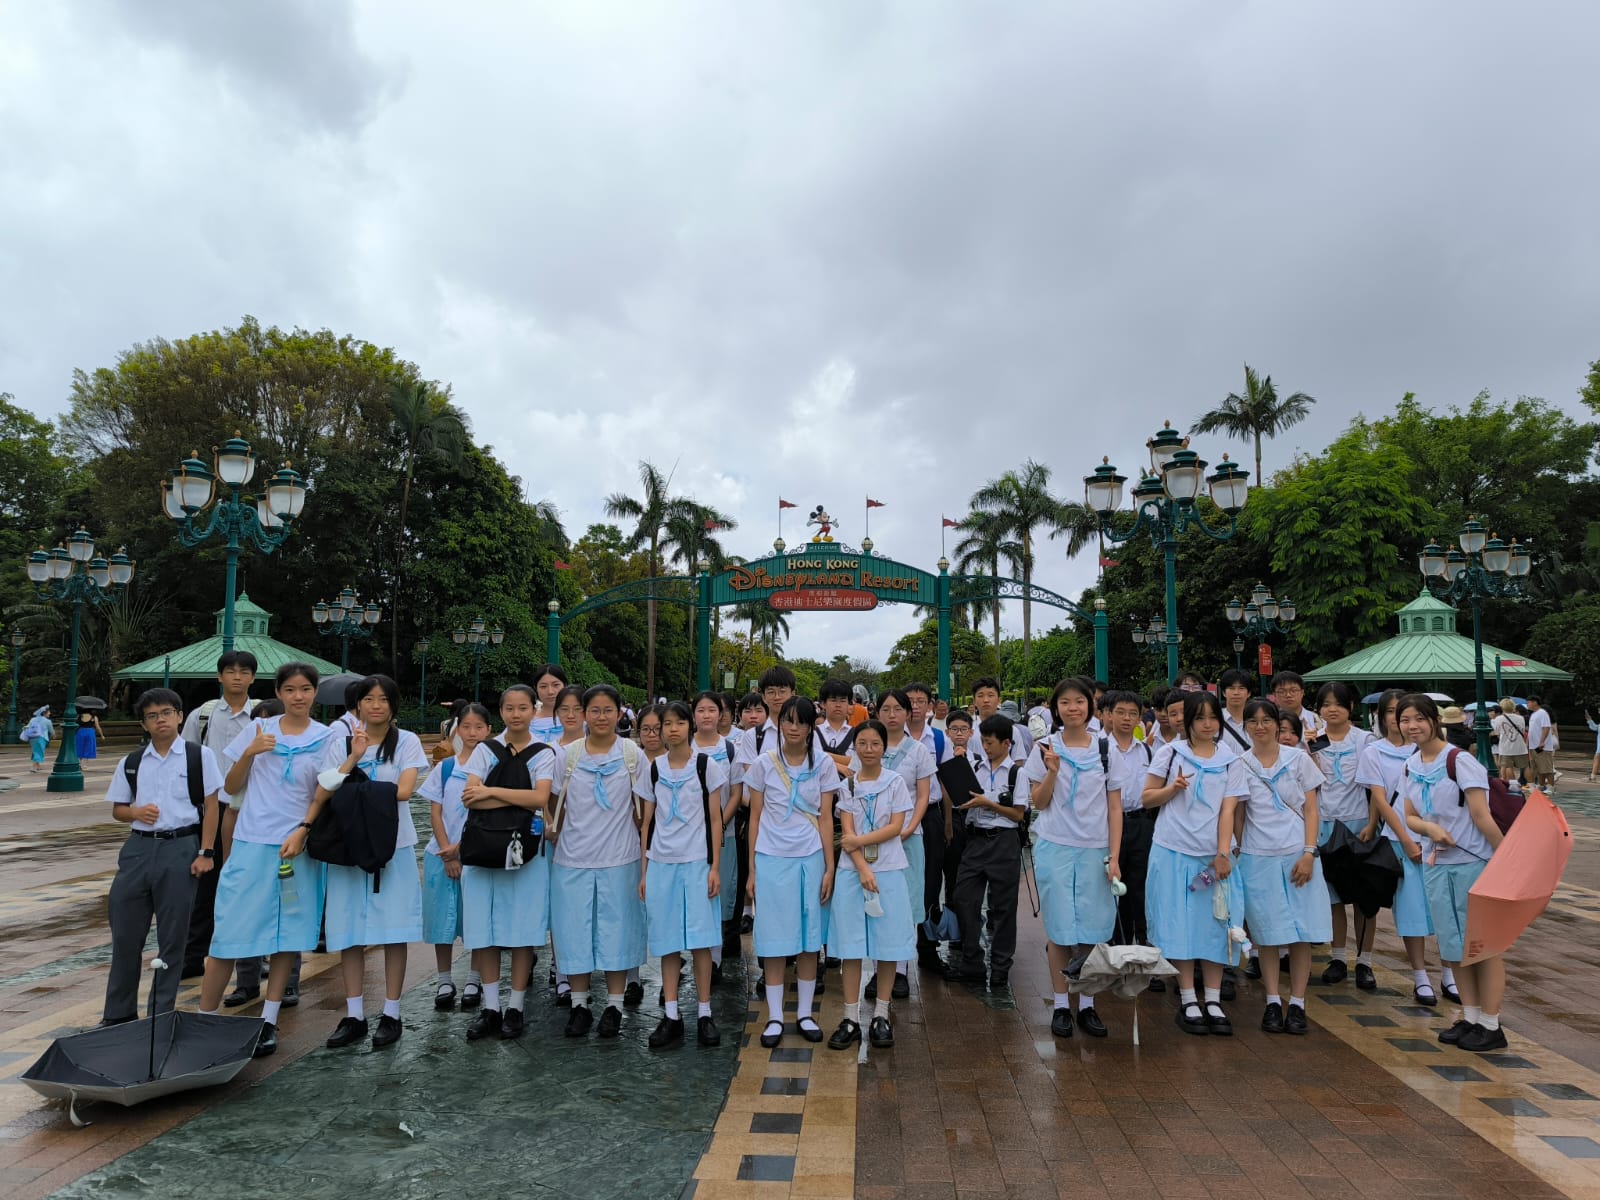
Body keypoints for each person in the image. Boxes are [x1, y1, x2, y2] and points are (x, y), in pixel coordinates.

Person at [199, 663, 330, 1059]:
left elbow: (323, 794)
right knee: (229, 932)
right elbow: (230, 787)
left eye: (305, 689)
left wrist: (303, 831)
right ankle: (204, 1022)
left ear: (314, 693)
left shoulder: (327, 738)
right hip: (252, 842)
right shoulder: (257, 730)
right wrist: (249, 753)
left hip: (296, 848)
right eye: (290, 689)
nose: (298, 696)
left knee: (287, 935)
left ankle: (268, 1021)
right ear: (278, 693)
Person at [313, 674, 429, 1049]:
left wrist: (354, 789)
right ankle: (354, 1014)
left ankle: (392, 1011)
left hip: (394, 845)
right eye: (369, 699)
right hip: (348, 845)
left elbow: (406, 790)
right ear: (357, 705)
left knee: (394, 928)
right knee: (348, 929)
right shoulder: (340, 743)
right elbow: (325, 787)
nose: (376, 706)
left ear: (394, 705)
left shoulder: (406, 742)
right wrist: (354, 757)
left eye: (383, 699)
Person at [101, 689, 224, 1025]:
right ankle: (118, 1015)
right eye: (152, 716)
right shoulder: (132, 762)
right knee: (125, 935)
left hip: (181, 847)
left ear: (180, 716)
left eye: (167, 713)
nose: (161, 720)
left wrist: (206, 852)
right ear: (144, 723)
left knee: (173, 937)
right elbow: (118, 809)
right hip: (138, 849)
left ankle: (160, 1014)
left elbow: (212, 806)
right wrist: (135, 812)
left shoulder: (199, 756)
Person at [1398, 694, 1506, 1052]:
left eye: (1419, 718)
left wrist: (1504, 860)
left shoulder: (1459, 761)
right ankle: (1470, 1018)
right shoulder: (1411, 765)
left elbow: (1481, 815)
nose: (1412, 726)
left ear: (1435, 720)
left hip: (1473, 864)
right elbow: (1410, 815)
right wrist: (1429, 829)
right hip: (1437, 866)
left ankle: (1491, 1024)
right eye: (1405, 720)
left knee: (1483, 947)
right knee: (1452, 946)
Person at [1022, 677, 1123, 1040]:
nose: (1073, 708)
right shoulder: (1045, 747)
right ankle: (1062, 1005)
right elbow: (1038, 801)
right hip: (1055, 846)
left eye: (1079, 701)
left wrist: (1114, 856)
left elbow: (1115, 807)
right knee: (1060, 930)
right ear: (1056, 709)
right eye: (1064, 702)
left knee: (1094, 930)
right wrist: (1052, 770)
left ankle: (1089, 1005)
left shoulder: (1106, 748)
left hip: (1096, 849)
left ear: (1090, 706)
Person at [548, 685, 650, 1039]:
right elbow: (553, 800)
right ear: (584, 714)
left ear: (620, 713)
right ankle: (579, 1004)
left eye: (608, 710)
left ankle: (614, 1006)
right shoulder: (568, 755)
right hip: (572, 858)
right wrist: (554, 831)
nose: (601, 717)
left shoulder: (633, 755)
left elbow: (644, 809)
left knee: (616, 931)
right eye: (594, 710)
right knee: (574, 930)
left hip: (620, 858)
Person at [1143, 690, 1246, 1036]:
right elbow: (1147, 798)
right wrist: (1173, 788)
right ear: (1186, 721)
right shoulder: (1170, 753)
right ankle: (1188, 998)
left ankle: (1213, 999)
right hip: (1173, 852)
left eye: (1213, 717)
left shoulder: (1230, 759)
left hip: (1214, 859)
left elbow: (1229, 809)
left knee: (1216, 923)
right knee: (1180, 925)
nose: (1207, 724)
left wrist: (1222, 853)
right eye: (1199, 718)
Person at [462, 686, 558, 1038]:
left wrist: (490, 791)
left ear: (533, 710)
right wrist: (516, 799)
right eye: (509, 708)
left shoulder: (544, 752)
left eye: (523, 708)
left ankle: (515, 1007)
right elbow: (469, 798)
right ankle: (491, 1007)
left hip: (525, 851)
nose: (516, 715)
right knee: (484, 930)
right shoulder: (485, 749)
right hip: (484, 849)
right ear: (501, 711)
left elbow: (540, 797)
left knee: (522, 930)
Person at [744, 695, 839, 1048]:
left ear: (811, 726)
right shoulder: (764, 764)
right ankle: (773, 1016)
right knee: (773, 938)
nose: (794, 728)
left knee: (809, 938)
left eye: (801, 722)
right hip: (771, 858)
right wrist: (752, 869)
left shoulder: (824, 764)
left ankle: (804, 1014)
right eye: (788, 720)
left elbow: (826, 818)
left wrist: (829, 866)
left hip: (810, 857)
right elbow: (754, 817)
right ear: (779, 723)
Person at [1235, 698, 1328, 1035]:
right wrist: (1238, 852)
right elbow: (1239, 815)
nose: (1260, 727)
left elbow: (1312, 809)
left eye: (1266, 720)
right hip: (1257, 857)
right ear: (1245, 726)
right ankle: (1273, 1000)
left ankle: (1298, 1003)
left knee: (1302, 932)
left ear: (1278, 724)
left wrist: (1309, 852)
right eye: (1253, 721)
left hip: (1297, 854)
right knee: (1267, 933)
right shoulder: (1240, 764)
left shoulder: (1298, 759)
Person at [640, 701, 725, 1049]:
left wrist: (715, 867)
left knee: (702, 941)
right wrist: (644, 872)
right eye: (667, 724)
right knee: (668, 941)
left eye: (679, 722)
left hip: (697, 862)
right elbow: (647, 822)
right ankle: (671, 1014)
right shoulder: (654, 768)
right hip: (662, 864)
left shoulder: (706, 766)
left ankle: (704, 1012)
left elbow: (716, 820)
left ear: (690, 726)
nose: (672, 729)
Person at [827, 719, 915, 1051]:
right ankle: (850, 1018)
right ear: (855, 748)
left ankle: (881, 1014)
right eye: (862, 744)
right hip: (852, 873)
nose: (868, 750)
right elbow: (846, 831)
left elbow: (895, 827)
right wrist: (863, 867)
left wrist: (860, 843)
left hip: (889, 870)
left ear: (884, 747)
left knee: (888, 944)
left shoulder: (895, 782)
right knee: (850, 946)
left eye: (875, 744)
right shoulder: (847, 785)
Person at [1356, 688, 1445, 1006]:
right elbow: (1380, 799)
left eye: (1410, 715)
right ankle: (1420, 977)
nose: (1400, 720)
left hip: (1439, 841)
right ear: (1381, 717)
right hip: (1400, 839)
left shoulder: (1437, 751)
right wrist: (1404, 839)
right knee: (1411, 909)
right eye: (1393, 713)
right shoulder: (1374, 752)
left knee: (1444, 908)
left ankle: (1450, 974)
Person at [180, 649, 262, 985]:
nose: (237, 677)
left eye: (244, 672)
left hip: (251, 809)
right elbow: (185, 757)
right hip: (211, 809)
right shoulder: (203, 715)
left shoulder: (263, 715)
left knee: (251, 882)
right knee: (205, 882)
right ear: (220, 676)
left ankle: (253, 959)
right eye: (230, 671)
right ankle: (194, 955)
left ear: (253, 678)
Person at [850, 690, 933, 1000]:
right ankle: (878, 969)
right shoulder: (867, 745)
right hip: (868, 840)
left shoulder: (918, 750)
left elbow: (923, 795)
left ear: (908, 712)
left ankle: (899, 970)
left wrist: (908, 828)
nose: (892, 714)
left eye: (898, 708)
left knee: (904, 902)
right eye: (886, 709)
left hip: (907, 837)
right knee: (874, 902)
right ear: (877, 712)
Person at [418, 701, 490, 1014]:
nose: (472, 733)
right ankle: (444, 979)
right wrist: (447, 852)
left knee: (476, 918)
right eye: (466, 727)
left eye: (478, 727)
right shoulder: (446, 767)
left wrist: (460, 848)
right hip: (440, 853)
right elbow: (434, 811)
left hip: (475, 854)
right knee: (441, 920)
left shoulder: (492, 769)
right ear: (457, 729)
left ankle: (474, 978)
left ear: (488, 730)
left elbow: (487, 816)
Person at [945, 713, 1026, 988]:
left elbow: (1018, 815)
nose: (986, 747)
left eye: (990, 742)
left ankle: (1001, 966)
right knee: (964, 898)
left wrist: (988, 803)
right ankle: (972, 962)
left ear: (1006, 743)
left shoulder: (1016, 773)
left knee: (1004, 907)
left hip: (1004, 841)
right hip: (975, 839)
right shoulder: (975, 768)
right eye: (983, 742)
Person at [1311, 681, 1376, 988]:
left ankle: (1365, 961)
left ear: (1351, 706)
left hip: (1358, 825)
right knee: (1333, 898)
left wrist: (1372, 824)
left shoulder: (1365, 740)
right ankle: (1338, 957)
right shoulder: (1314, 740)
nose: (1332, 709)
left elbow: (1376, 788)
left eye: (1338, 703)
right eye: (1325, 704)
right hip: (1324, 825)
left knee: (1363, 898)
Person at [690, 690, 742, 959]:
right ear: (693, 715)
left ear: (721, 715)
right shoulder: (685, 747)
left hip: (724, 834)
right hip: (689, 837)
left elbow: (736, 793)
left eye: (712, 710)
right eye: (701, 710)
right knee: (694, 895)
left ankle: (715, 960)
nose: (706, 715)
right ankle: (696, 957)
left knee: (720, 893)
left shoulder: (730, 749)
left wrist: (719, 824)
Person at [1104, 690, 1155, 951]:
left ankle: (1144, 945)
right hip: (1109, 826)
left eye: (1133, 713)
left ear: (1139, 718)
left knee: (1140, 886)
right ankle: (1116, 946)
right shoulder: (1101, 749)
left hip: (1141, 823)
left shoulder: (1146, 750)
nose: (1126, 718)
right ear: (1109, 715)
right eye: (1121, 712)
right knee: (1112, 885)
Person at [903, 681, 949, 971]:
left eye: (921, 701)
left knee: (931, 882)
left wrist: (948, 823)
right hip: (899, 819)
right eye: (910, 701)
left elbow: (945, 782)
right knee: (901, 882)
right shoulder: (891, 737)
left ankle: (928, 948)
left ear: (930, 705)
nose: (915, 706)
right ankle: (898, 957)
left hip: (931, 815)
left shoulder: (939, 739)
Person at [1271, 671, 1324, 740]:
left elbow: (1326, 746)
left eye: (1293, 691)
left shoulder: (1317, 720)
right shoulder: (1270, 722)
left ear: (1302, 692)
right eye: (1282, 691)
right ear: (1274, 695)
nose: (1288, 695)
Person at [528, 663, 570, 742]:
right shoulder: (526, 720)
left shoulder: (579, 719)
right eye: (543, 686)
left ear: (565, 685)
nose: (550, 691)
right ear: (536, 688)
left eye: (556, 685)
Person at [1489, 698, 1528, 782]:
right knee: (1525, 767)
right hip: (1520, 747)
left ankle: (1513, 784)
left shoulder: (1498, 719)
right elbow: (1522, 730)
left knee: (1508, 767)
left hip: (1505, 748)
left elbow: (1497, 732)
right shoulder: (1521, 718)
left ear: (1502, 707)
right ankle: (1531, 785)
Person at [1218, 669, 1253, 753]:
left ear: (1249, 693)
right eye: (1231, 688)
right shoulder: (1215, 719)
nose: (1236, 693)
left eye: (1241, 688)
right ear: (1224, 692)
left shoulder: (1256, 721)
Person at [1526, 696, 1556, 790]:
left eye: (1528, 702)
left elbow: (1546, 727)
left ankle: (1550, 787)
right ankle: (1541, 785)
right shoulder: (1534, 714)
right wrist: (1528, 742)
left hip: (1542, 747)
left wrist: (1542, 742)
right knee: (1538, 767)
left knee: (1546, 767)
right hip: (1533, 746)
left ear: (1535, 702)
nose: (1527, 705)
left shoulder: (1542, 713)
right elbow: (1531, 730)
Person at [22, 706, 52, 773]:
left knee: (35, 751)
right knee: (39, 752)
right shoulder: (47, 721)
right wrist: (54, 734)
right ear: (44, 713)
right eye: (49, 712)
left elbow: (27, 726)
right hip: (42, 738)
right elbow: (51, 730)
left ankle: (38, 766)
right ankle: (33, 767)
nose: (50, 713)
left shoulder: (33, 719)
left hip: (32, 738)